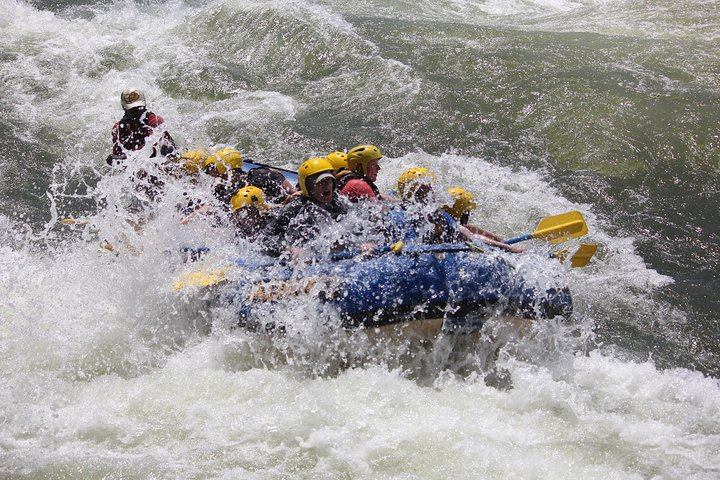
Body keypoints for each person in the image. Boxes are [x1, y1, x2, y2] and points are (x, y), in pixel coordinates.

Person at [261, 157, 348, 258]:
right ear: (308, 188)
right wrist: (287, 249)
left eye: (329, 180)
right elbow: (265, 240)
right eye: (320, 182)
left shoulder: (336, 203)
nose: (327, 186)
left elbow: (350, 226)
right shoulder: (295, 208)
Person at [107, 88, 176, 165]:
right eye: (133, 110)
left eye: (140, 108)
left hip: (161, 160)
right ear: (125, 108)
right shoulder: (119, 129)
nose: (138, 112)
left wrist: (127, 157)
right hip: (137, 166)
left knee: (164, 147)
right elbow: (118, 157)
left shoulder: (155, 121)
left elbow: (155, 146)